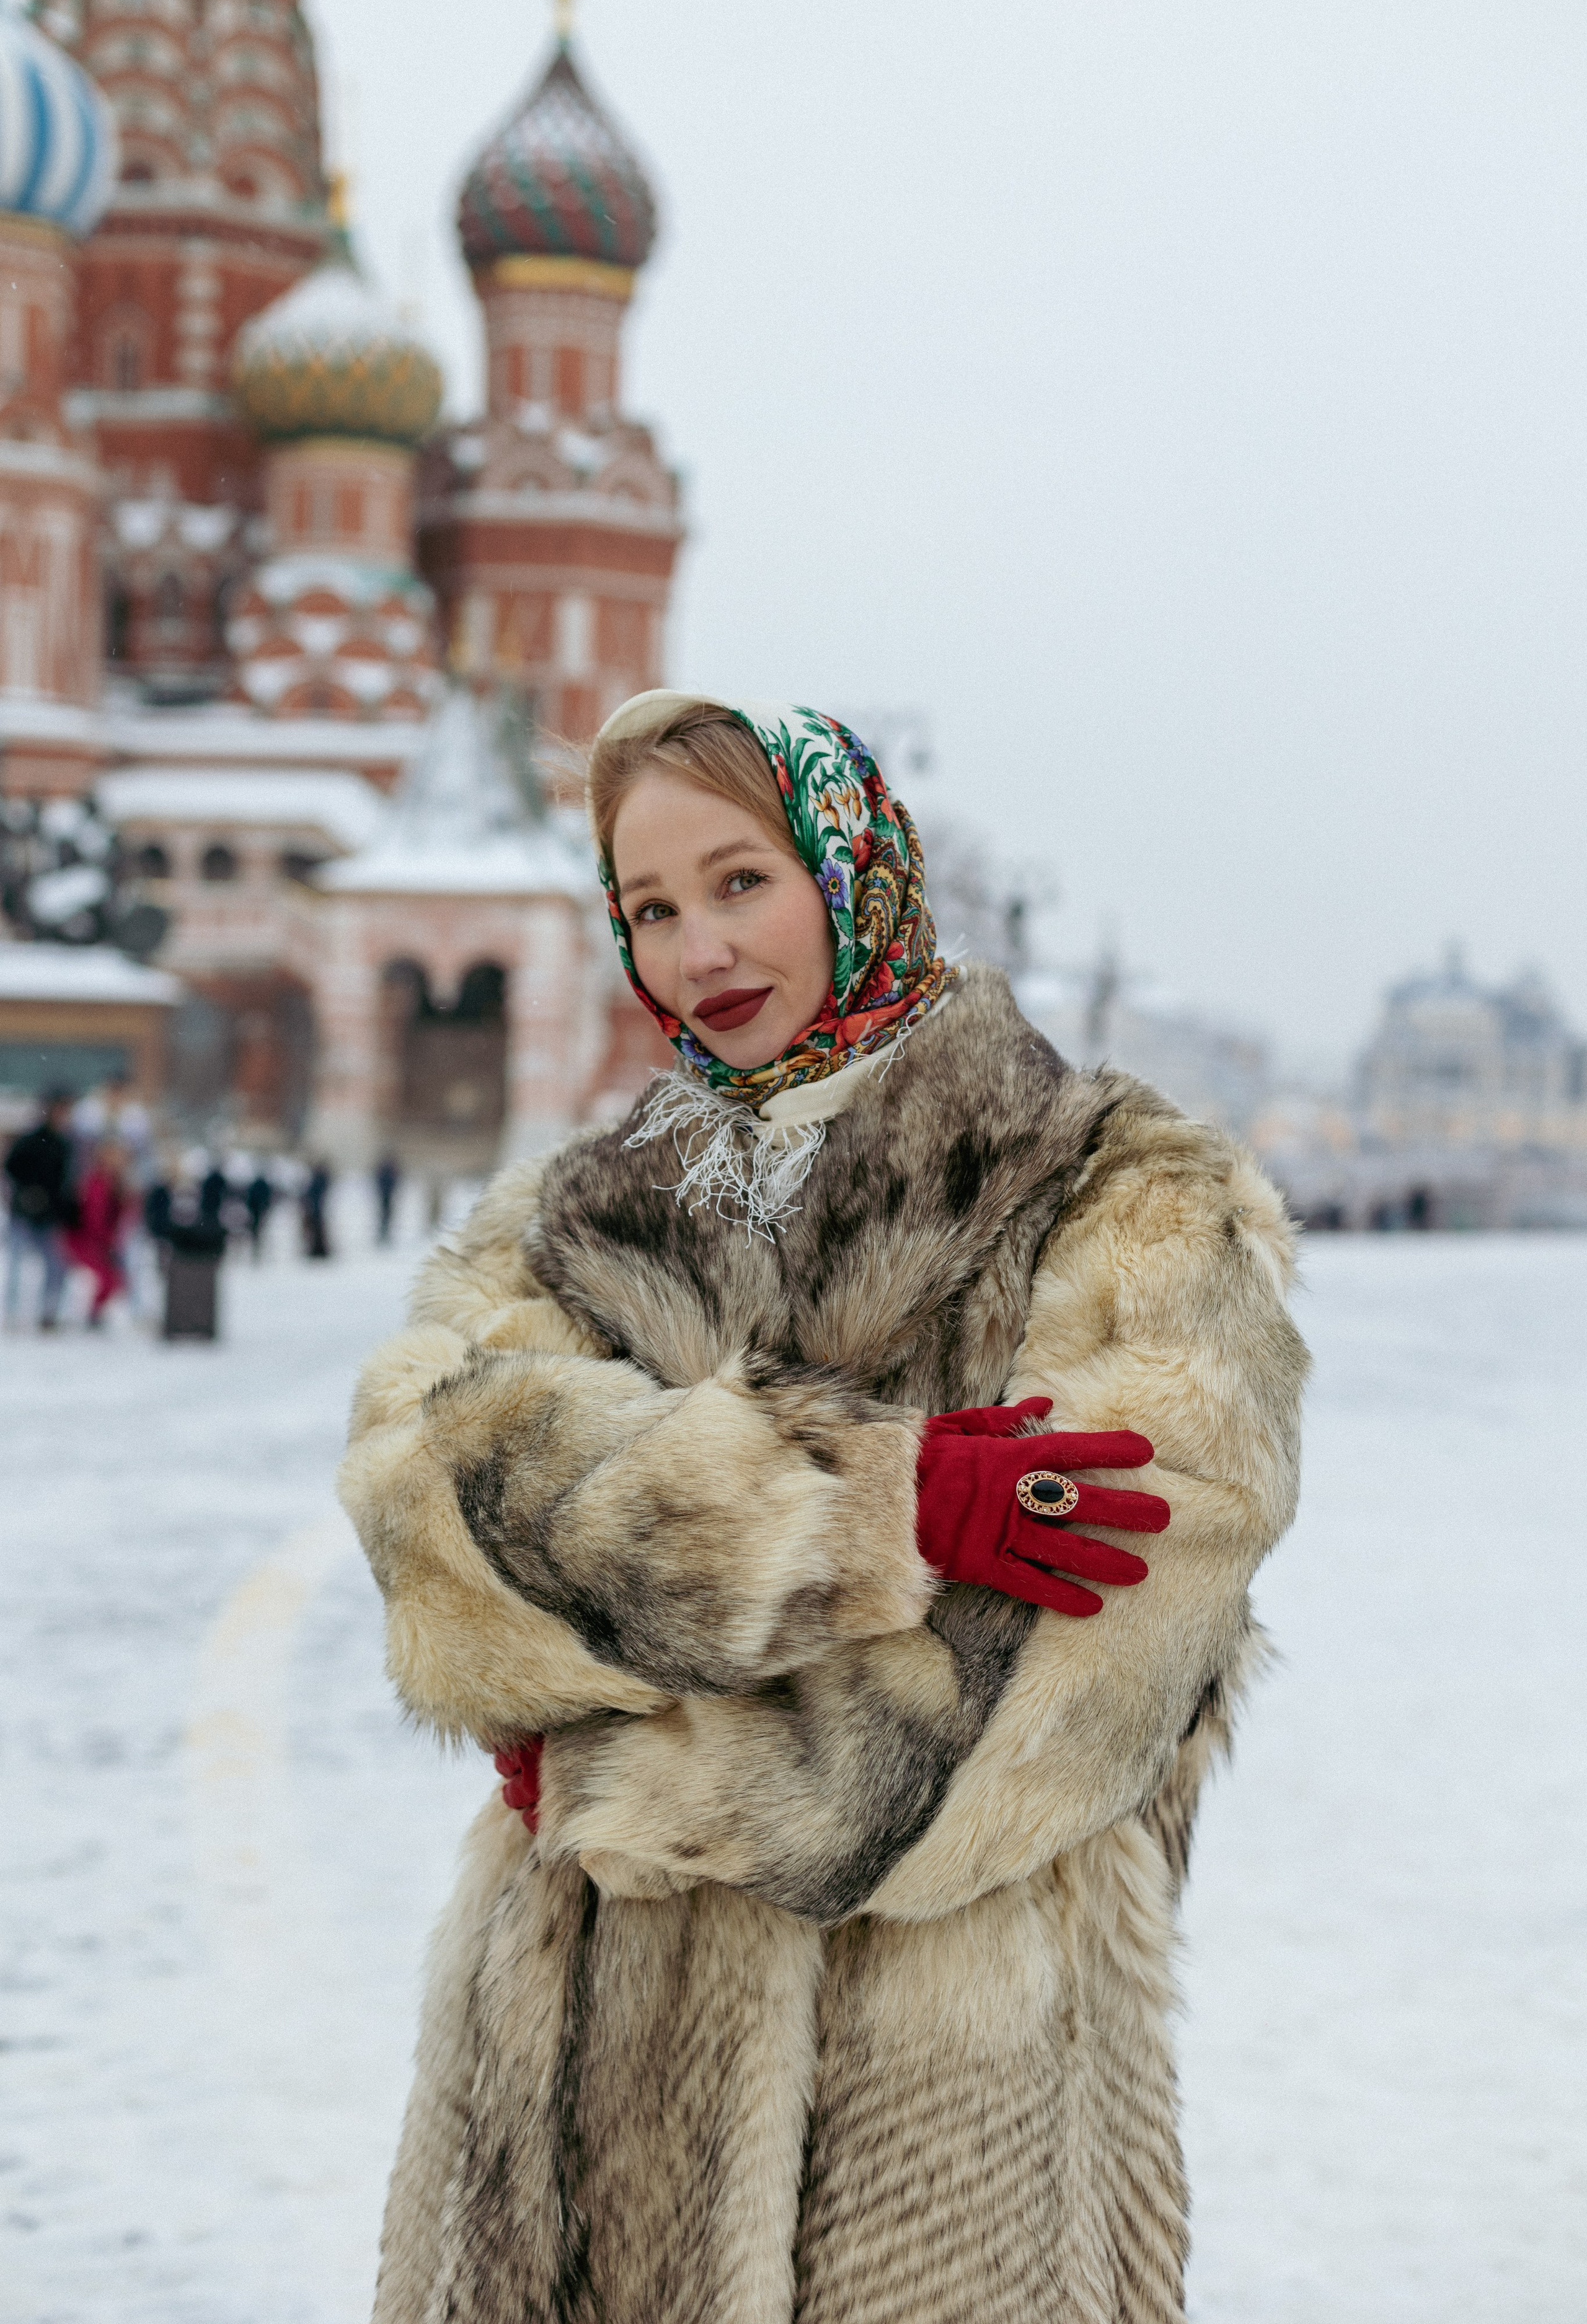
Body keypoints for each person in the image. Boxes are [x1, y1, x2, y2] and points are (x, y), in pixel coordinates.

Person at [340, 695, 1307, 2324]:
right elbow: (429, 1495)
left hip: (945, 2146)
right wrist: (877, 1509)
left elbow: (1059, 1700)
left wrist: (603, 1741)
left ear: (854, 868)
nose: (699, 948)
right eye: (650, 909)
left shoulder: (1116, 1194)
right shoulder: (577, 1217)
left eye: (742, 881)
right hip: (573, 2144)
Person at [4, 1090, 76, 1331]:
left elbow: (65, 1183)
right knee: (15, 1264)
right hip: (24, 1212)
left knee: (56, 1264)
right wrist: (29, 1191)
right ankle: (10, 1314)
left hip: (49, 1216)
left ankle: (48, 1313)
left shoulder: (65, 1144)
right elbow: (12, 1168)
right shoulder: (30, 1140)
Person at [61, 1141, 133, 1329]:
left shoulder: (116, 1182)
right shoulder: (98, 1182)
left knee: (114, 1280)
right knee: (111, 1279)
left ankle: (94, 1314)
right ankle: (91, 1316)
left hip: (101, 1241)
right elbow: (95, 1218)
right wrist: (106, 1243)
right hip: (86, 1240)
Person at [299, 1160, 332, 1259]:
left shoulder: (318, 1180)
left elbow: (313, 1194)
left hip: (316, 1209)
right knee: (316, 1232)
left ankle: (319, 1251)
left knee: (316, 1232)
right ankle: (318, 1250)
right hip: (316, 1209)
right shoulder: (320, 1180)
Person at [243, 1163, 275, 1262]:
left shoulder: (256, 1184)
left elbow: (251, 1198)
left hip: (256, 1210)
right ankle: (257, 1246)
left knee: (256, 1229)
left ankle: (257, 1246)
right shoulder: (263, 1185)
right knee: (258, 1229)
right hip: (259, 1210)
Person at [373, 1151, 402, 1246]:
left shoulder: (389, 1169)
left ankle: (385, 1233)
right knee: (384, 1215)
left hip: (387, 1194)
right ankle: (383, 1233)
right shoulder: (387, 1169)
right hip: (384, 1194)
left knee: (386, 1215)